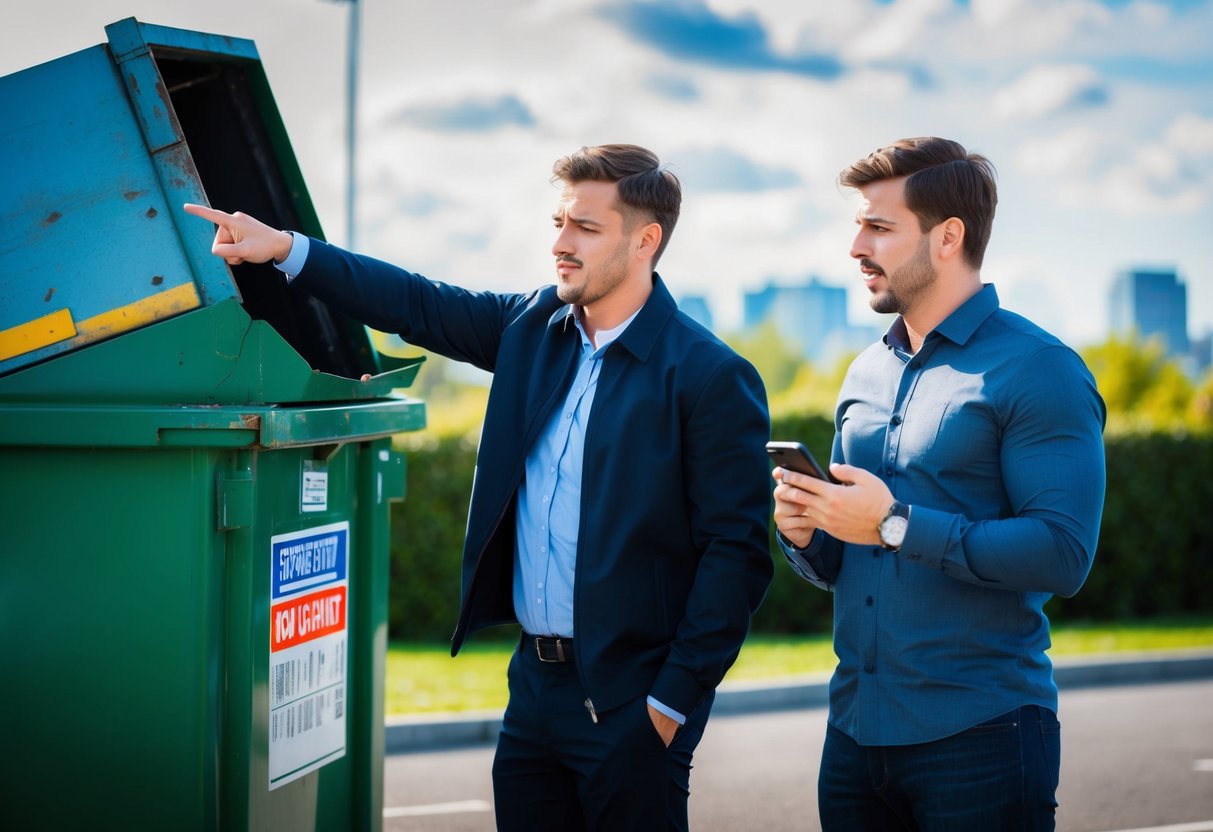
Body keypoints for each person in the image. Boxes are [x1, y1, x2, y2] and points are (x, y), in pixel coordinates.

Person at [185, 143, 773, 831]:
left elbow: (735, 553)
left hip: (631, 697)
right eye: (558, 222)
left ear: (645, 241)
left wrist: (669, 703)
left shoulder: (706, 374)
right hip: (534, 689)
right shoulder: (530, 330)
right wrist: (286, 249)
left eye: (585, 227)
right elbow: (415, 302)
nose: (560, 243)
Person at [771, 137, 1106, 830]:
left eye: (880, 227)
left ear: (947, 236)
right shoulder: (863, 372)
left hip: (981, 735)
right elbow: (849, 557)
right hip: (853, 740)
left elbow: (1061, 552)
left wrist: (894, 524)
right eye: (857, 224)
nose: (856, 246)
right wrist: (805, 531)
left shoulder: (1040, 368)